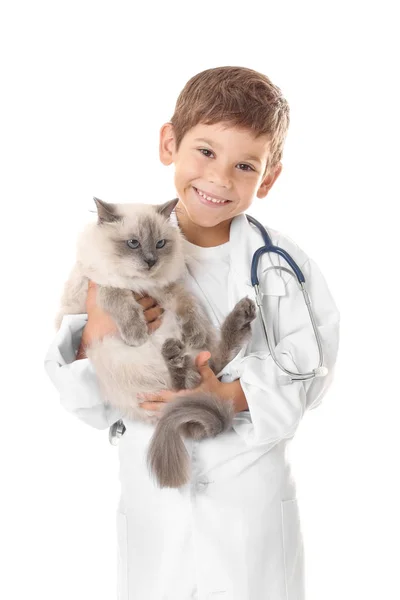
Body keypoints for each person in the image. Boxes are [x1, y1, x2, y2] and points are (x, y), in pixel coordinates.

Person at [44, 66, 340, 600]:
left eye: (244, 165)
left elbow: (311, 377)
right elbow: (87, 404)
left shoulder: (284, 266)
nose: (220, 178)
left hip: (248, 512)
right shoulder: (117, 252)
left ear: (267, 178)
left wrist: (228, 394)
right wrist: (97, 329)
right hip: (155, 504)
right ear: (169, 143)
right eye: (205, 152)